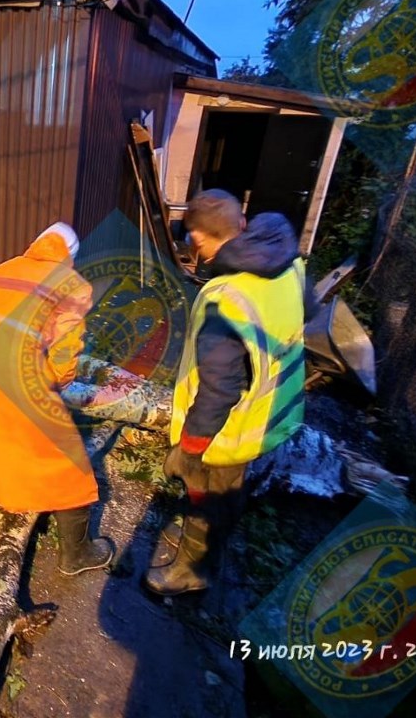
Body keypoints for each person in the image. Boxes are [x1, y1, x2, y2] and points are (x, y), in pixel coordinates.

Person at [144, 190, 309, 596]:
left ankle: (193, 571)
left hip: (234, 424)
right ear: (243, 224)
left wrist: (190, 447)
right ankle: (206, 550)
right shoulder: (289, 261)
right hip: (276, 407)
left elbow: (220, 389)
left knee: (212, 493)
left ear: (198, 240)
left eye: (192, 241)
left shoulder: (226, 299)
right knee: (227, 490)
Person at [0, 222, 113, 576]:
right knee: (68, 465)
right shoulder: (71, 285)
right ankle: (77, 555)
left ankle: (4, 494)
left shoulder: (0, 270)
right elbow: (64, 350)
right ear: (70, 256)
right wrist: (55, 386)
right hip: (15, 380)